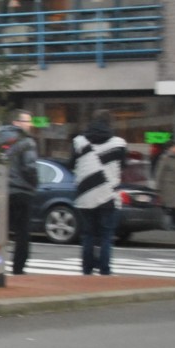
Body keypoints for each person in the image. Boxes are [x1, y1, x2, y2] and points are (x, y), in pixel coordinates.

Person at [70, 109, 127, 275]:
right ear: (110, 123)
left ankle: (87, 270)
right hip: (108, 194)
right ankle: (104, 270)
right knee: (106, 235)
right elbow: (123, 166)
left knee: (88, 234)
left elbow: (71, 163)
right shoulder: (118, 143)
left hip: (84, 194)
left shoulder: (78, 142)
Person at [4, 110, 38, 275]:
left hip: (3, 190)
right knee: (22, 232)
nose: (29, 125)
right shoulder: (27, 142)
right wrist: (34, 183)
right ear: (16, 122)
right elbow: (30, 167)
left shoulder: (0, 139)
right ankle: (18, 267)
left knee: (1, 229)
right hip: (22, 190)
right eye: (27, 121)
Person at [153, 142, 175, 230]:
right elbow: (159, 173)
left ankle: (174, 224)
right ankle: (169, 225)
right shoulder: (165, 158)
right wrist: (157, 188)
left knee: (174, 206)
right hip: (167, 187)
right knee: (169, 206)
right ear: (171, 148)